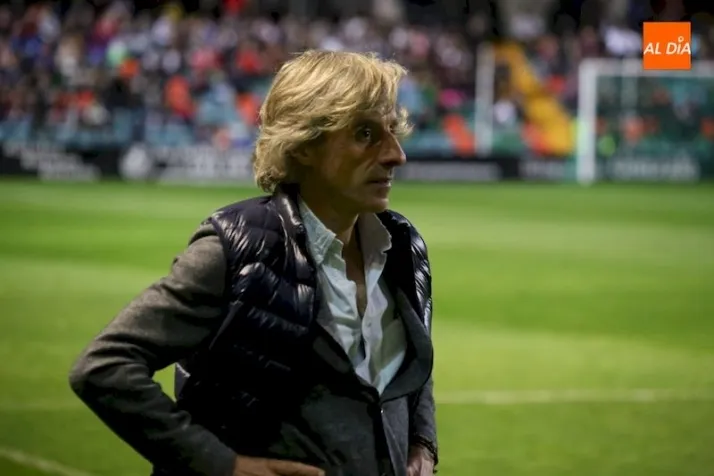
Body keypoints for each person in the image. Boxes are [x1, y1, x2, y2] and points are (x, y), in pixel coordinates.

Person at [68, 50, 438, 476]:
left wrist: (422, 441)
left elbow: (412, 365)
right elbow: (105, 367)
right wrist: (221, 465)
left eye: (392, 131)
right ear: (305, 144)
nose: (395, 154)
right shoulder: (238, 248)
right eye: (365, 134)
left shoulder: (403, 246)